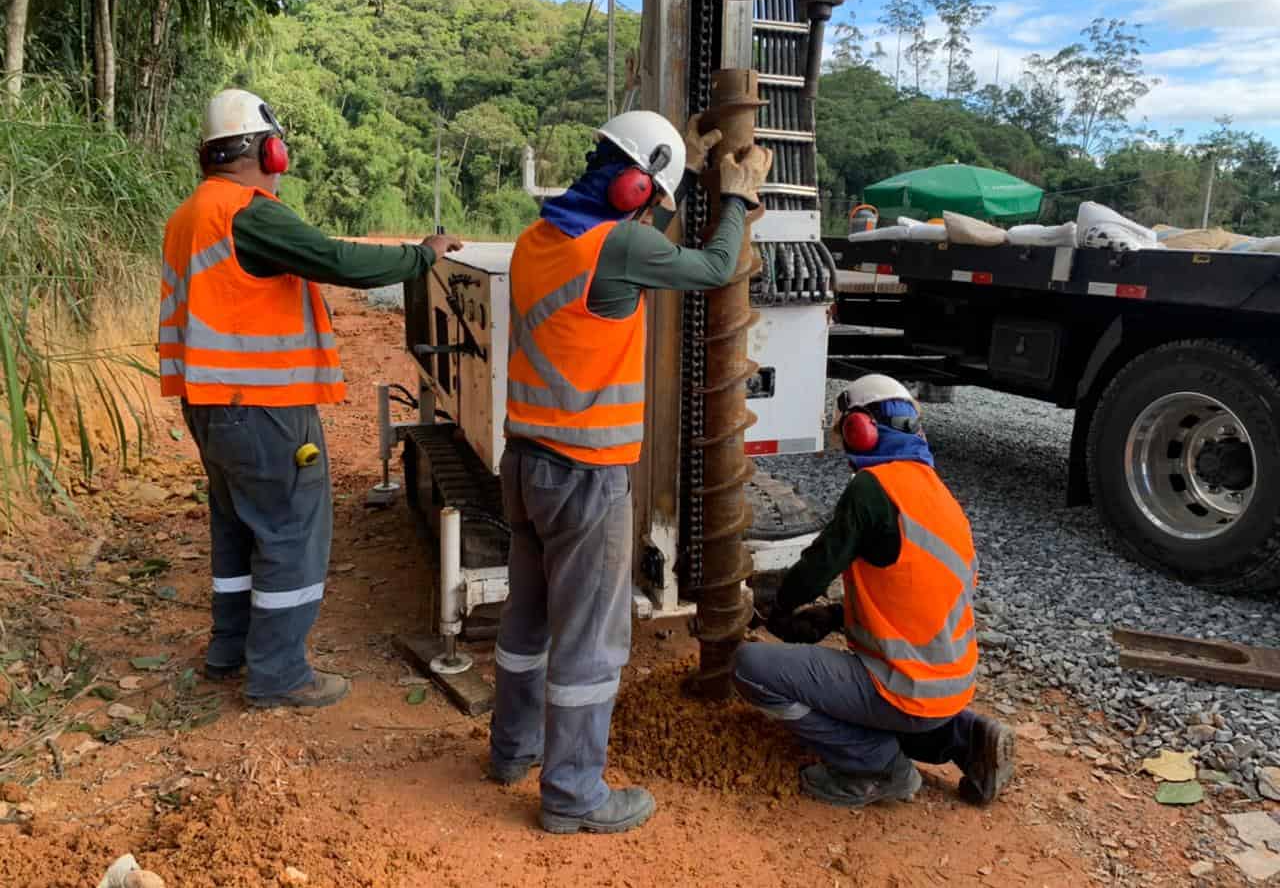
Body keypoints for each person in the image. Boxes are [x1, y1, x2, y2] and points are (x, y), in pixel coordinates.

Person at [490, 109, 773, 835]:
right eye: (653, 196)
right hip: (586, 478)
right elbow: (712, 268)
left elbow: (639, 249)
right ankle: (573, 795)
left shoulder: (538, 239)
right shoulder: (620, 247)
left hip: (524, 462)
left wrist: (674, 188)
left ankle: (510, 750)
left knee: (526, 622)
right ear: (632, 191)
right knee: (589, 641)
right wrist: (736, 199)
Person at [159, 88, 461, 709]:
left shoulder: (190, 213)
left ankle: (230, 651)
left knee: (238, 526)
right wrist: (420, 255)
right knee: (292, 530)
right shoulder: (249, 213)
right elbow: (336, 259)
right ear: (269, 149)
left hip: (211, 404)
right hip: (264, 406)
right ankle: (278, 675)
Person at [732, 374, 1015, 808]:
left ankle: (875, 766)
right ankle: (966, 736)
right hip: (951, 687)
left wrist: (779, 609)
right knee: (893, 701)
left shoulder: (872, 489)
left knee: (751, 666)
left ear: (859, 429)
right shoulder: (937, 495)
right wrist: (834, 617)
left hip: (905, 691)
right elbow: (917, 595)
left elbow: (815, 569)